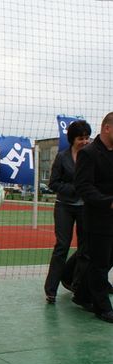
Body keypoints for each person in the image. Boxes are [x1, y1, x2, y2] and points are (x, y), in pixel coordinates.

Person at [43, 120, 90, 304]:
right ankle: (51, 290)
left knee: (85, 248)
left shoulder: (92, 156)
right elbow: (53, 183)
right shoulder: (62, 157)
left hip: (86, 207)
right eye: (80, 138)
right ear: (72, 139)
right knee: (62, 246)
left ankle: (78, 287)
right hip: (64, 206)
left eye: (87, 138)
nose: (85, 141)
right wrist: (74, 188)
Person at [74, 112, 113, 323]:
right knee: (99, 263)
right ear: (107, 128)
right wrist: (108, 201)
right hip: (98, 218)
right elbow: (83, 187)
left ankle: (81, 294)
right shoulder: (88, 153)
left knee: (106, 261)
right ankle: (103, 308)